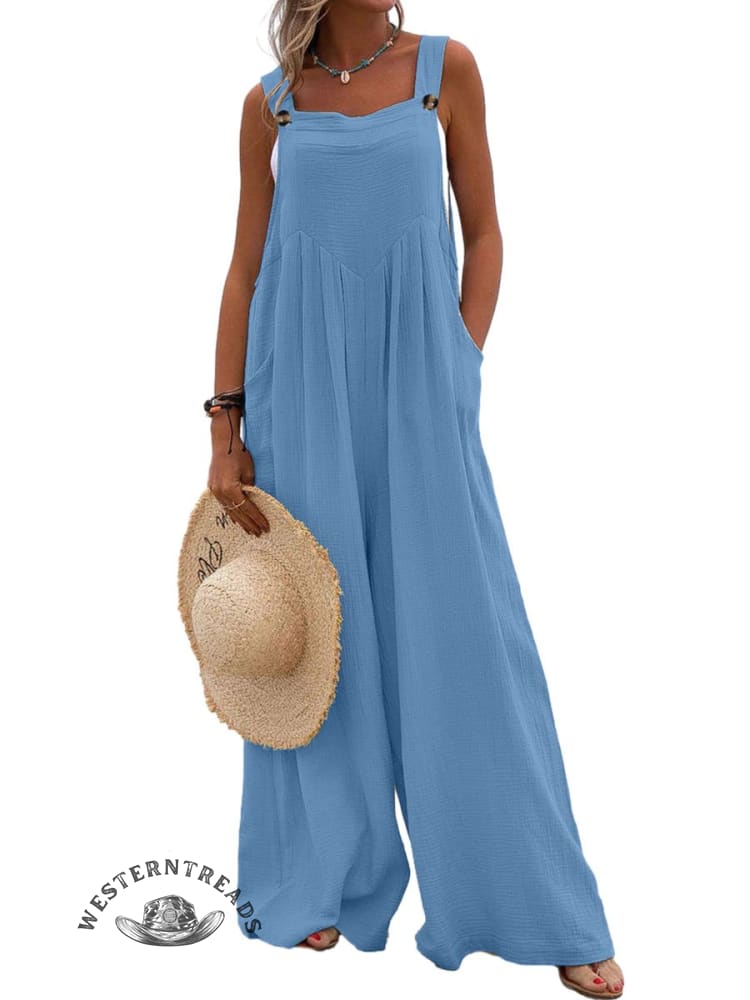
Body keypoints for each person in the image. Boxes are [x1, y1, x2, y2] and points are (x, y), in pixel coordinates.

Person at [206, 2, 625, 995]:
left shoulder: (447, 70)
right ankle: (319, 879)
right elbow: (245, 270)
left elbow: (486, 232)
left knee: (466, 639)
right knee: (315, 636)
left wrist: (460, 359)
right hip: (298, 394)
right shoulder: (271, 105)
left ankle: (537, 905)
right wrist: (225, 429)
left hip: (420, 392)